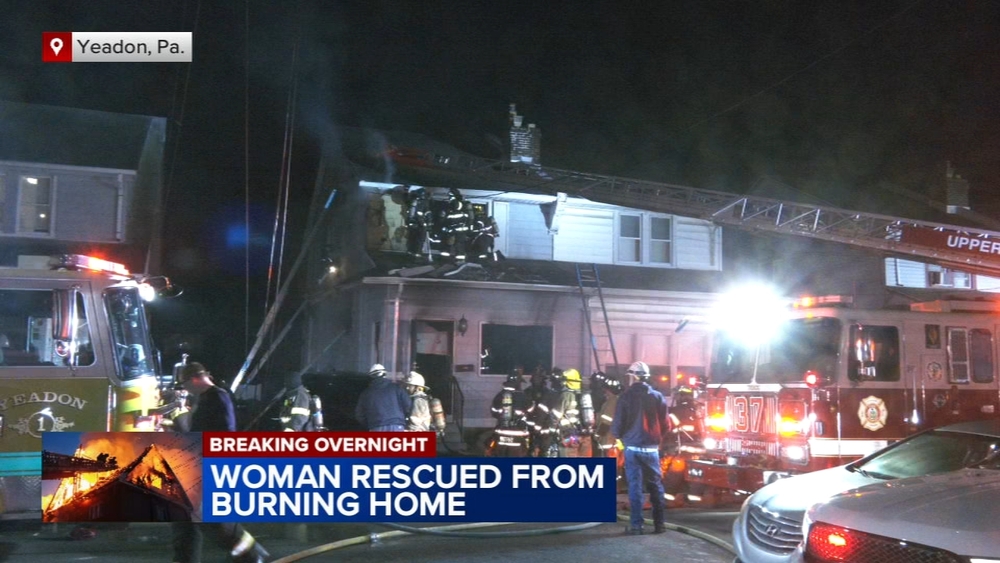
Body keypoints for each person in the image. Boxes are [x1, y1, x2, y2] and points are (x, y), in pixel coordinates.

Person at [172, 362, 270, 563]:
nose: (186, 390)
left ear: (195, 379)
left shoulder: (218, 396)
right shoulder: (205, 398)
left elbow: (226, 433)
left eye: (185, 384)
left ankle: (252, 555)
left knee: (214, 520)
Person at [611, 360, 668, 535]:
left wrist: (621, 437)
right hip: (652, 449)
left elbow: (617, 426)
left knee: (635, 487)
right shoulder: (658, 397)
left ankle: (637, 526)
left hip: (632, 449)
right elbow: (666, 425)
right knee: (656, 486)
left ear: (632, 377)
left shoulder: (625, 397)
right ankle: (660, 525)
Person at [355, 363, 411, 431]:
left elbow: (359, 415)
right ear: (385, 374)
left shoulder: (365, 394)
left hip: (376, 427)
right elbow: (408, 406)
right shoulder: (396, 388)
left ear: (371, 376)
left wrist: (371, 424)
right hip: (397, 425)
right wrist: (404, 420)